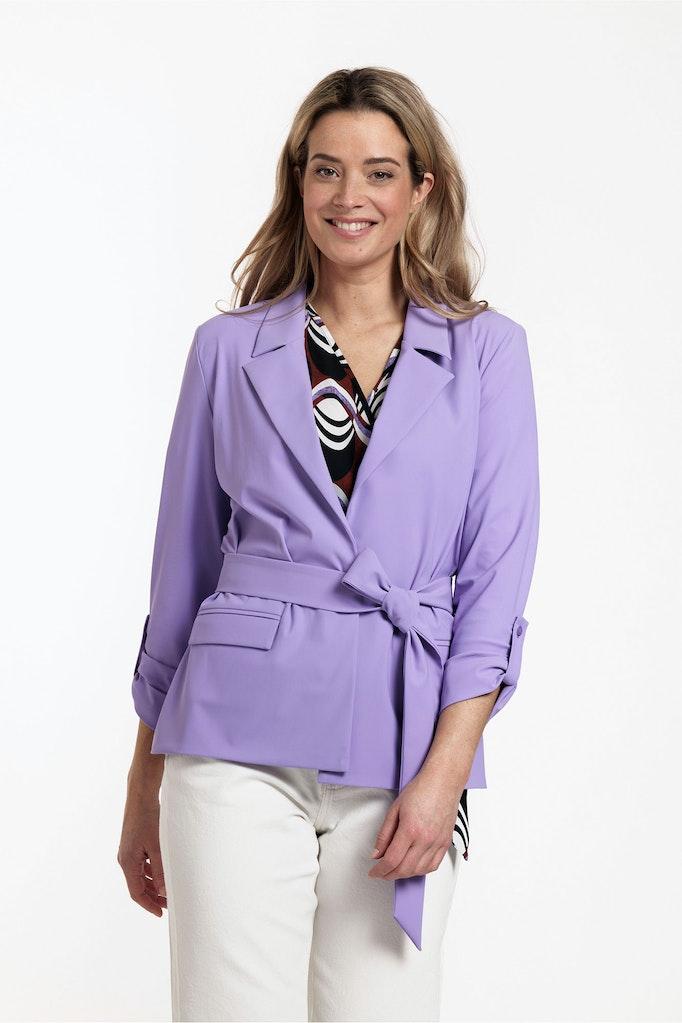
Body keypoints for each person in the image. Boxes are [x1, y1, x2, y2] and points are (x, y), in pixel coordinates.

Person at [118, 66, 540, 1023]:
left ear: (421, 188)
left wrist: (444, 774)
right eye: (326, 169)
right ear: (298, 182)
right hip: (231, 740)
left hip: (402, 744)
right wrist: (143, 782)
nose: (351, 196)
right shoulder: (227, 350)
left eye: (380, 172)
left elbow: (495, 586)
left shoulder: (487, 353)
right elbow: (179, 579)